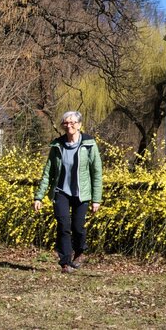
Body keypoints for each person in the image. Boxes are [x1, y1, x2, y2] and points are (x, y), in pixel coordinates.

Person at [33, 111, 103, 273]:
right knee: (63, 225)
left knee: (78, 227)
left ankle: (80, 251)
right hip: (61, 191)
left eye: (72, 122)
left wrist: (96, 199)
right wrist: (39, 196)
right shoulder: (57, 145)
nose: (68, 125)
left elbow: (96, 173)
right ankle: (65, 262)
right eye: (65, 123)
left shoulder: (89, 144)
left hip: (81, 193)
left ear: (79, 125)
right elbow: (48, 172)